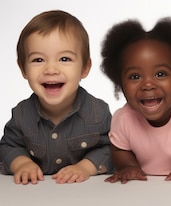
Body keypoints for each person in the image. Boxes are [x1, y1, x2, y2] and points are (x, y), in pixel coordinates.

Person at [0, 10, 113, 184]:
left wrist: (85, 167)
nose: (51, 69)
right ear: (23, 69)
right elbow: (8, 146)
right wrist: (22, 163)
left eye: (64, 59)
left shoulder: (98, 112)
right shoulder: (22, 115)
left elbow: (113, 148)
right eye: (38, 60)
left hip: (86, 195)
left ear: (84, 68)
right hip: (35, 196)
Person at [100, 17, 171, 184]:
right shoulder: (124, 118)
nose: (148, 84)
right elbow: (119, 149)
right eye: (135, 76)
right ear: (120, 84)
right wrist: (128, 166)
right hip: (142, 188)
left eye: (160, 74)